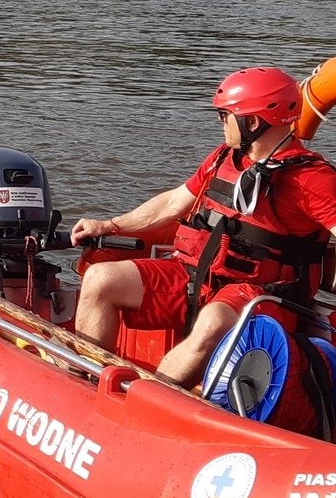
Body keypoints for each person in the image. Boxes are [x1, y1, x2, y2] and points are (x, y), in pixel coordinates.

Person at [71, 67, 336, 387]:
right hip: (198, 275)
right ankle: (82, 383)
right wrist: (110, 225)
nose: (220, 122)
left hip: (264, 295)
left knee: (212, 322)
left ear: (252, 122)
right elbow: (173, 203)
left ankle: (148, 400)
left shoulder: (312, 179)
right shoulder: (223, 157)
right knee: (101, 279)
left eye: (226, 115)